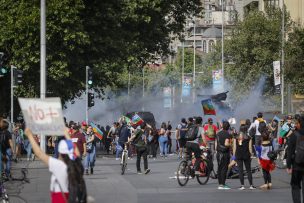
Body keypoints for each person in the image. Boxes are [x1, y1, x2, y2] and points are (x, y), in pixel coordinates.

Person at [24, 128, 87, 203]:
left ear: (60, 152)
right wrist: (66, 134)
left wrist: (30, 135)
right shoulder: (77, 164)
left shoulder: (58, 165)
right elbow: (74, 148)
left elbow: (39, 153)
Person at [287, 114, 304, 203]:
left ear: (299, 124)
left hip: (297, 165)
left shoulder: (294, 135)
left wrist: (288, 165)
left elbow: (289, 151)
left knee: (295, 186)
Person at [216, 121, 232, 190]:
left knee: (219, 168)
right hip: (224, 153)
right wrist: (231, 145)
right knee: (224, 169)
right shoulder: (227, 134)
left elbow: (216, 144)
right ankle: (222, 184)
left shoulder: (218, 133)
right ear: (228, 127)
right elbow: (226, 144)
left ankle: (220, 183)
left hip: (218, 152)